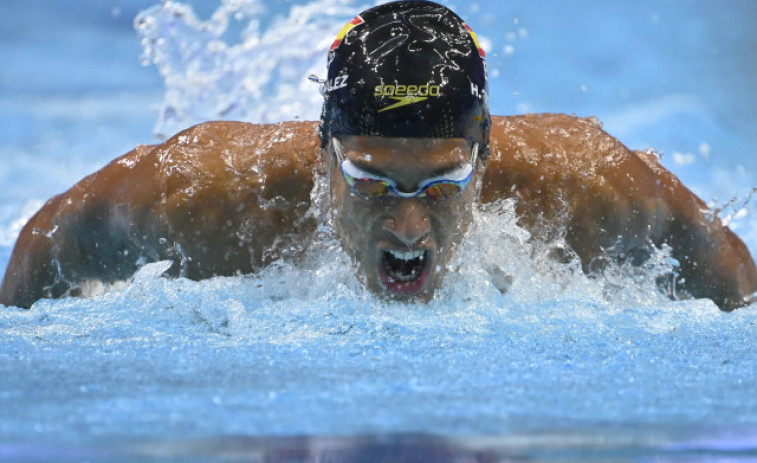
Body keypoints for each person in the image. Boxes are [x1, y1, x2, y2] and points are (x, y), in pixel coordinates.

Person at [1, 0, 755, 311]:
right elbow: (46, 243)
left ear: (483, 160)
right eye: (370, 179)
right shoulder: (204, 197)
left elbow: (739, 302)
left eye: (440, 186)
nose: (407, 226)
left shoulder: (590, 187)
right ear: (322, 157)